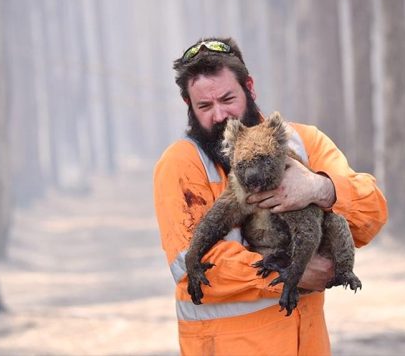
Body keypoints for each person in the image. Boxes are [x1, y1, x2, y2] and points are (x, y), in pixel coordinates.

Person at [153, 37, 388, 355]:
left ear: (249, 87)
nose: (221, 115)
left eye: (227, 98)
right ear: (189, 107)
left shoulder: (303, 141)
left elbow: (371, 213)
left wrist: (321, 189)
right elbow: (190, 263)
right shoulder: (181, 163)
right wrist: (292, 272)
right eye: (205, 106)